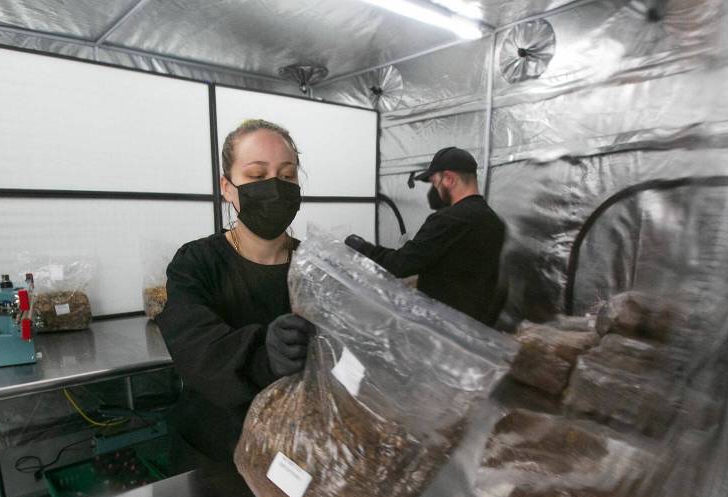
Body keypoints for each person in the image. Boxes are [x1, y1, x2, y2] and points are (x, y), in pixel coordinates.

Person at [156, 119, 314, 466]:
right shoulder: (197, 262)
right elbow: (195, 348)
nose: (274, 187)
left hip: (297, 453)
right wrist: (264, 357)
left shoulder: (315, 266)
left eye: (287, 176)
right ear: (227, 188)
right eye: (257, 176)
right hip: (215, 453)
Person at [344, 147, 507, 326]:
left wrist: (362, 248)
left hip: (445, 330)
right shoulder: (495, 221)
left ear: (449, 179)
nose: (434, 191)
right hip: (478, 328)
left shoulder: (449, 219)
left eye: (434, 183)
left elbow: (400, 264)